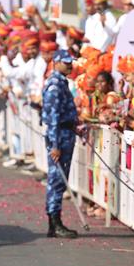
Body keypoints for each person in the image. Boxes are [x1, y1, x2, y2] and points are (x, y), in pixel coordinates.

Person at [41, 49, 79, 239]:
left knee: (59, 179)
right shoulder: (55, 85)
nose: (70, 65)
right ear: (56, 62)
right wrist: (55, 144)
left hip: (65, 132)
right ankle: (54, 222)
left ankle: (55, 221)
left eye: (70, 62)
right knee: (57, 179)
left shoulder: (62, 82)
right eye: (66, 62)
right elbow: (53, 118)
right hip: (59, 136)